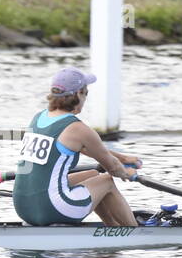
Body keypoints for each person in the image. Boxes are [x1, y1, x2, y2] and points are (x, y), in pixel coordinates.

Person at [12, 67, 143, 227]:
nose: (86, 97)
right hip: (52, 208)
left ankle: (112, 227)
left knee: (92, 174)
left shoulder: (38, 118)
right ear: (78, 94)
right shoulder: (78, 129)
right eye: (86, 92)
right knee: (107, 181)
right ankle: (133, 231)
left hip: (22, 207)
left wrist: (123, 158)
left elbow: (86, 148)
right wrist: (126, 172)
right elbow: (113, 168)